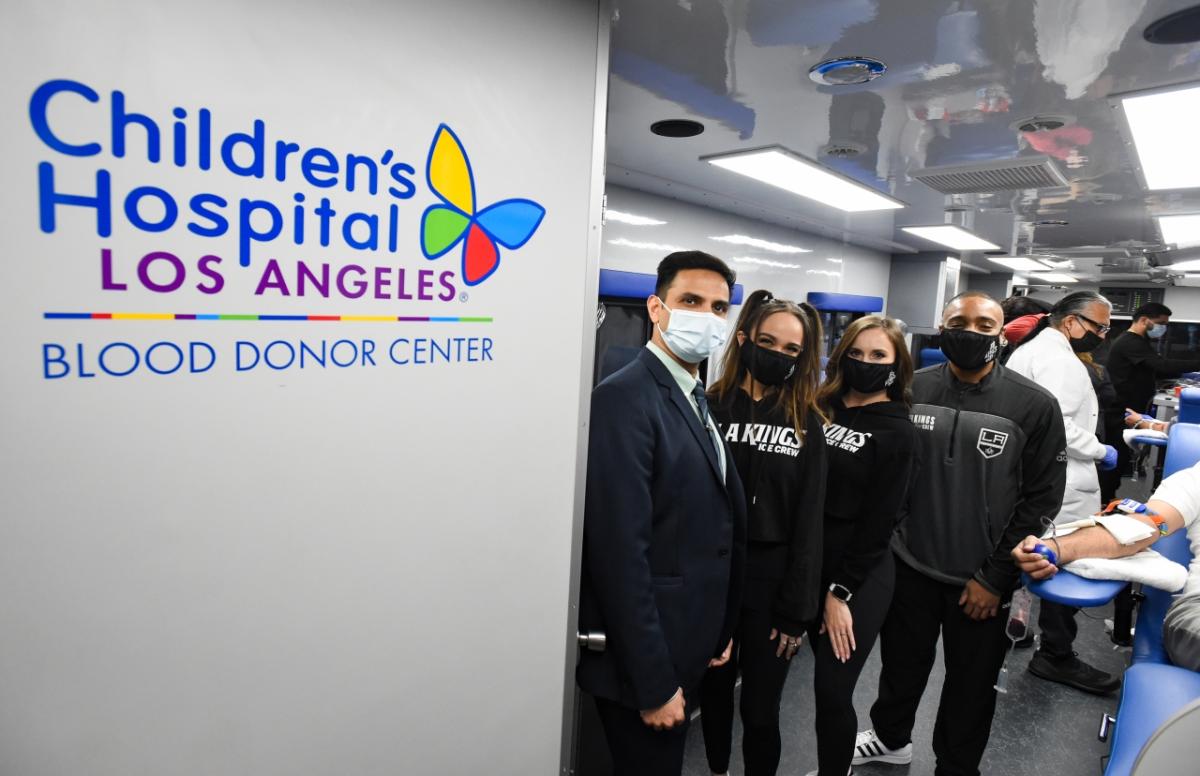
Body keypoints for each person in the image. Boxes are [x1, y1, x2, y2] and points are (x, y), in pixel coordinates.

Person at [853, 291, 1067, 776]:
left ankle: (955, 766)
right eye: (958, 322)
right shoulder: (910, 389)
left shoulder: (1034, 405)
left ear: (1001, 334)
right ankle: (890, 740)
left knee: (972, 683)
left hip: (981, 577)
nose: (970, 333)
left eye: (984, 325)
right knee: (901, 668)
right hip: (909, 564)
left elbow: (1041, 500)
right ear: (942, 327)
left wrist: (995, 578)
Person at [577, 250, 747, 776]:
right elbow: (619, 553)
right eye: (690, 300)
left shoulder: (693, 395)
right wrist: (653, 683)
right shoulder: (626, 398)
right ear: (657, 307)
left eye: (719, 307)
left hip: (686, 641)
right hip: (645, 667)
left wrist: (717, 630)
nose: (707, 316)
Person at [698, 290, 827, 776]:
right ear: (746, 338)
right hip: (713, 575)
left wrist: (796, 612)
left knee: (760, 709)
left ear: (802, 357)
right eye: (768, 341)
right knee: (711, 694)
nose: (777, 353)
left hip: (772, 584)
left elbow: (809, 522)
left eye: (791, 349)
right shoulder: (707, 406)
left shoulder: (807, 423)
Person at [805, 315, 918, 776]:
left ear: (896, 366)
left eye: (878, 356)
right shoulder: (817, 407)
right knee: (818, 682)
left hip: (858, 577)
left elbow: (879, 522)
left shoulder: (898, 431)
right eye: (856, 353)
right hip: (807, 565)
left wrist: (840, 593)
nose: (865, 362)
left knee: (832, 690)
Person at [1005, 291, 1122, 694]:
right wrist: (1100, 450)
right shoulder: (1059, 360)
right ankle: (1055, 655)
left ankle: (1014, 631)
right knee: (1058, 562)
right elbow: (1060, 426)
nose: (1103, 336)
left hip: (1031, 477)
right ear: (1071, 322)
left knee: (1026, 555)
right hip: (1062, 484)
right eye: (1099, 327)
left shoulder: (1031, 350)